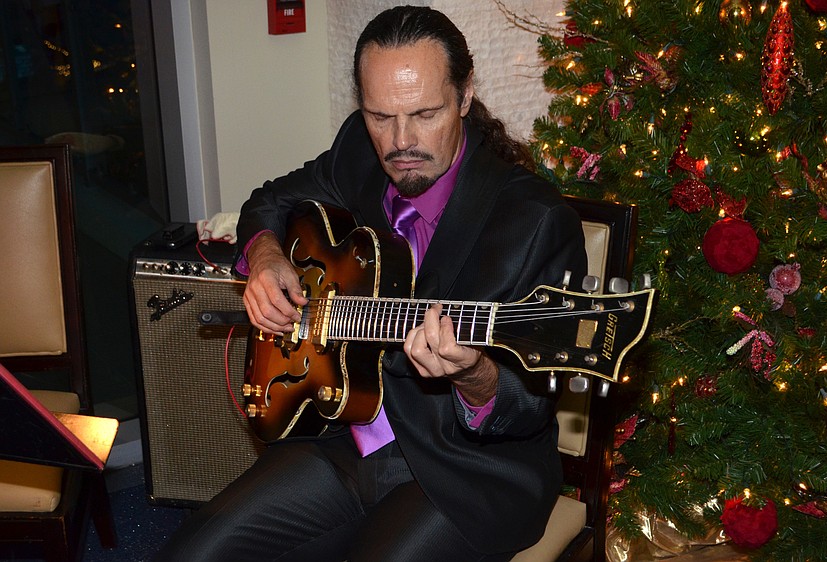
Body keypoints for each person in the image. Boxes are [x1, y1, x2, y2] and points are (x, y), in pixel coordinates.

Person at [156, 5, 587, 561]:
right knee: (192, 552)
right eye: (379, 116)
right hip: (346, 431)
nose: (400, 142)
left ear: (464, 95)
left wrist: (475, 374)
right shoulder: (360, 153)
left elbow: (534, 401)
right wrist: (264, 254)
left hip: (465, 470)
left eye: (424, 113)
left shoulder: (534, 222)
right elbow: (271, 199)